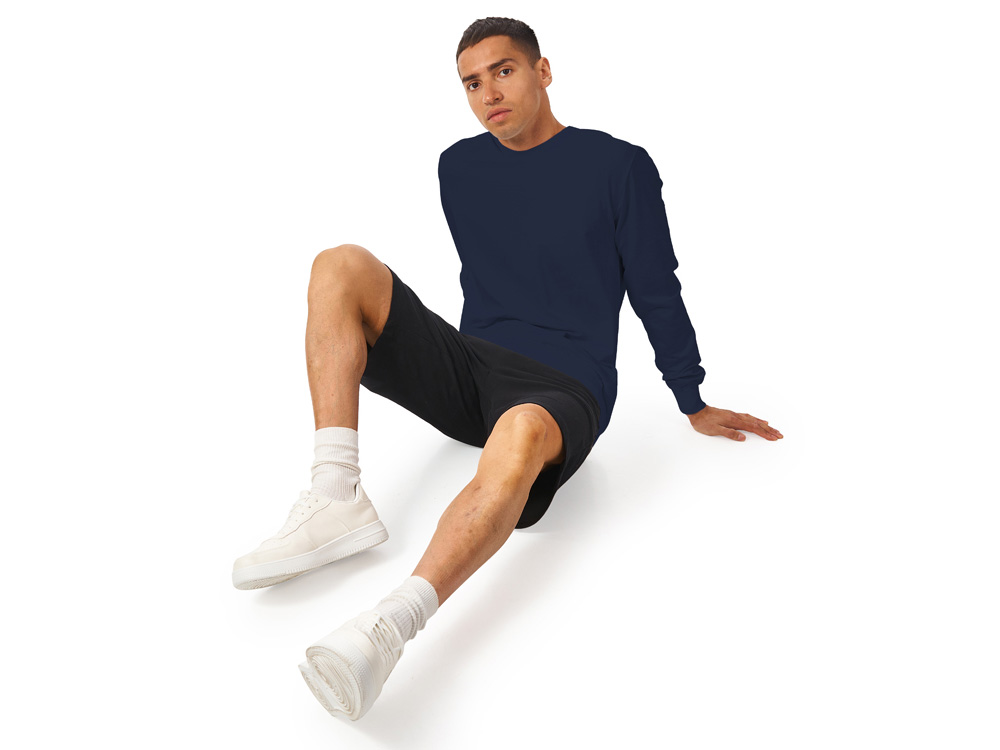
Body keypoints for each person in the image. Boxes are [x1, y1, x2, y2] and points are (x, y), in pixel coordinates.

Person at [232, 16, 783, 721]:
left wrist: (691, 397)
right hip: (472, 369)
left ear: (542, 71)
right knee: (340, 265)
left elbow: (655, 289)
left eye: (503, 71)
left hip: (564, 383)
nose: (488, 93)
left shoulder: (619, 167)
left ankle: (388, 627)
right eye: (471, 83)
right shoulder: (457, 168)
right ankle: (336, 492)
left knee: (520, 429)